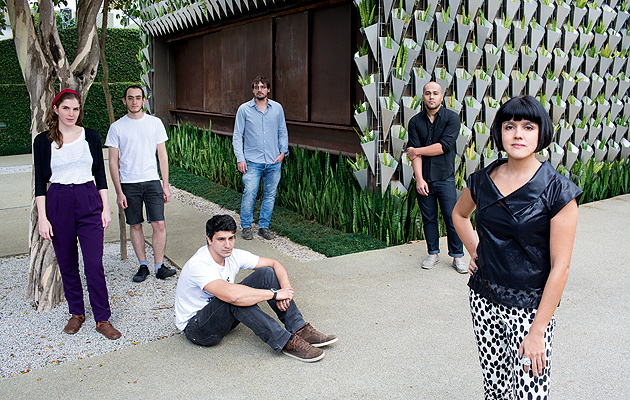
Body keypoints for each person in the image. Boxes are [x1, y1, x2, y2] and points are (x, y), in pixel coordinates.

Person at [452, 95, 582, 398]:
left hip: (530, 309)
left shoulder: (558, 191)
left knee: (529, 392)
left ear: (541, 133)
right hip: (484, 299)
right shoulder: (482, 181)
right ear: (499, 132)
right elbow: (460, 215)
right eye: (509, 126)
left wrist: (538, 331)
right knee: (495, 388)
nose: (518, 134)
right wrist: (476, 251)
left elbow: (561, 267)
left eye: (528, 127)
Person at [175, 215, 337, 362]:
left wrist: (286, 292)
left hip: (222, 316)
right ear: (209, 240)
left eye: (231, 238)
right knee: (236, 298)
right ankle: (285, 342)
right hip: (198, 328)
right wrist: (274, 294)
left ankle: (299, 329)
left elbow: (274, 264)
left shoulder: (233, 255)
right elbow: (233, 296)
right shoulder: (199, 265)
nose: (227, 245)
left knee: (266, 273)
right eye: (221, 239)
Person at [33, 89, 121, 340]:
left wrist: (105, 208)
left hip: (88, 199)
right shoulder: (43, 141)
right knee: (67, 262)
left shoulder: (90, 136)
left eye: (76, 109)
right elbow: (40, 182)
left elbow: (100, 174)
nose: (71, 114)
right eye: (66, 108)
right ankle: (77, 313)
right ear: (56, 109)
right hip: (58, 200)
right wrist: (43, 218)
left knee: (93, 263)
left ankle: (102, 318)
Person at [106, 85, 176, 282]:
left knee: (159, 223)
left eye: (138, 97)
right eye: (130, 98)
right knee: (135, 224)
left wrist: (165, 184)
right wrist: (119, 192)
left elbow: (162, 156)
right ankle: (143, 266)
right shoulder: (117, 127)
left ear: (144, 100)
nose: (134, 101)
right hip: (129, 183)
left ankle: (159, 266)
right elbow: (113, 161)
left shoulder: (155, 123)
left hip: (152, 181)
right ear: (124, 101)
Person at [406, 81, 467, 273]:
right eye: (427, 93)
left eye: (435, 93)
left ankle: (457, 256)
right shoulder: (415, 122)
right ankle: (433, 253)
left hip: (445, 177)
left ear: (442, 96)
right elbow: (414, 156)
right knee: (428, 218)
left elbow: (443, 147)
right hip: (424, 178)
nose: (431, 96)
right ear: (423, 96)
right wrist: (419, 179)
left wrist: (416, 150)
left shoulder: (452, 118)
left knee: (452, 217)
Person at [232, 76, 289, 241]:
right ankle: (246, 226)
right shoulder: (244, 109)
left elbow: (283, 131)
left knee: (270, 194)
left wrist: (282, 153)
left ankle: (264, 227)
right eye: (256, 87)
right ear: (253, 90)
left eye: (263, 87)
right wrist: (240, 158)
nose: (260, 89)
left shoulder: (277, 108)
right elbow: (237, 135)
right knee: (249, 192)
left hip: (273, 161)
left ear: (268, 90)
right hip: (252, 161)